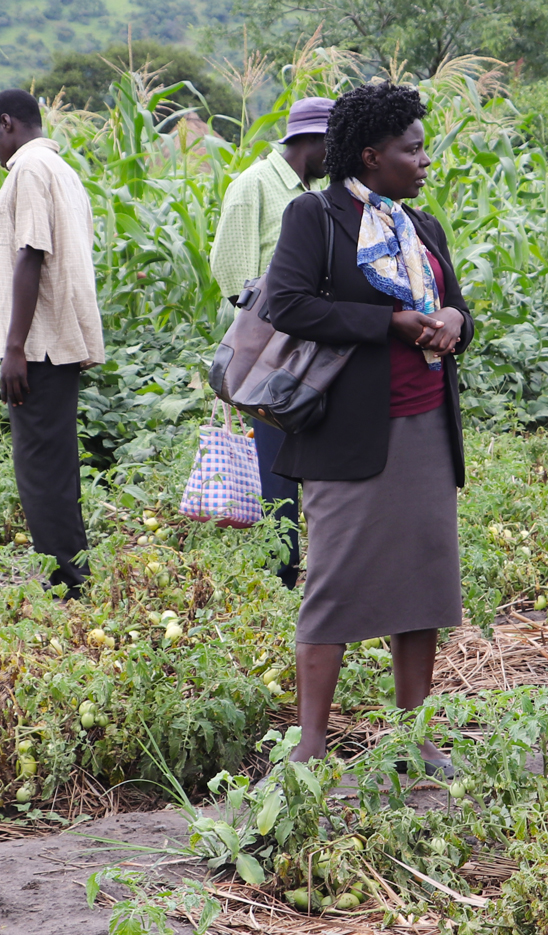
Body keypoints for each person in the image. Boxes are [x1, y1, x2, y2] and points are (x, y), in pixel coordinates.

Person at [262, 82, 474, 772]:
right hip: (349, 433)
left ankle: (415, 737)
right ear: (371, 155)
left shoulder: (423, 226)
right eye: (413, 150)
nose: (424, 161)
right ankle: (312, 743)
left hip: (424, 429)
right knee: (334, 585)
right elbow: (287, 304)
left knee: (422, 585)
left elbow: (458, 308)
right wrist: (388, 323)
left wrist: (452, 322)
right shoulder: (314, 217)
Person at [0, 89, 105, 598]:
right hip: (60, 341)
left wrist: (15, 347)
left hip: (41, 346)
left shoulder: (29, 170)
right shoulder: (64, 171)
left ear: (7, 123)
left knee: (39, 470)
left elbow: (31, 254)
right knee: (55, 467)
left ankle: (67, 586)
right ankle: (75, 576)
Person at [209, 96, 332, 589]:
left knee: (312, 457)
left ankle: (314, 566)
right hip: (271, 352)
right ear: (311, 141)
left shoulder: (310, 190)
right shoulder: (255, 185)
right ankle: (280, 573)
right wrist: (266, 329)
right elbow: (230, 268)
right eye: (333, 144)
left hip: (312, 348)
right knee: (276, 463)